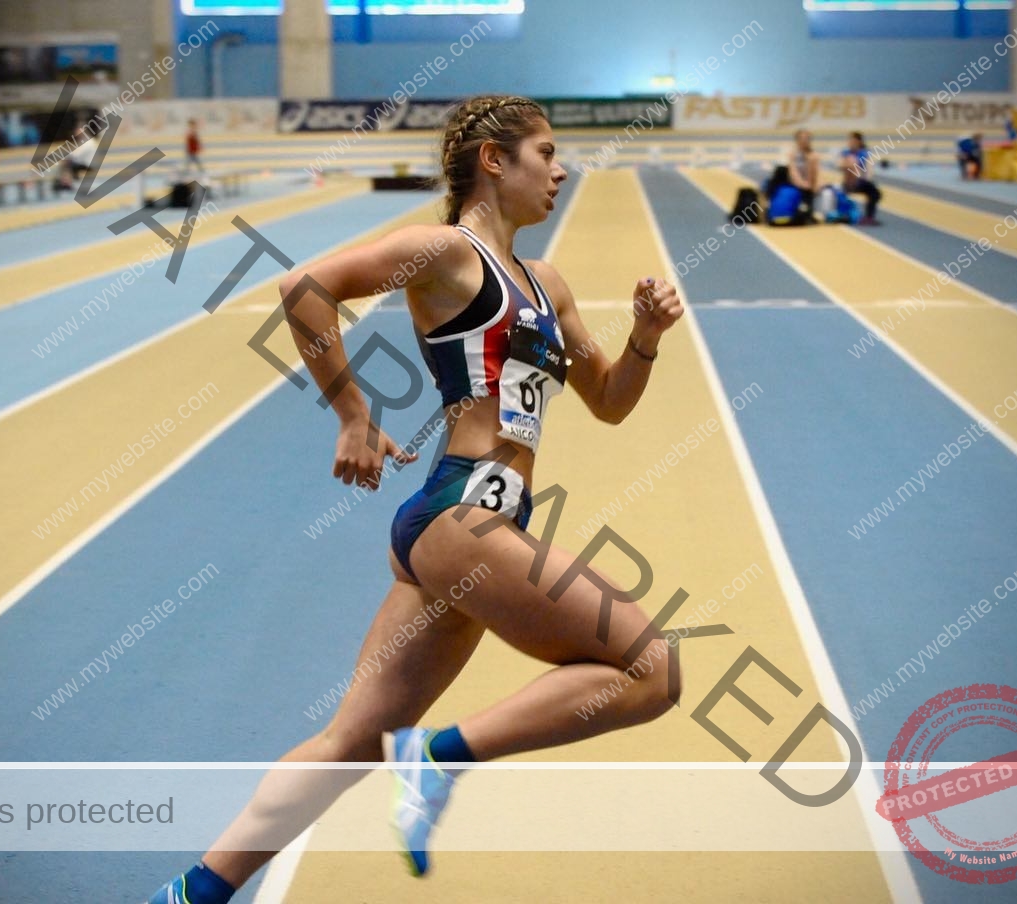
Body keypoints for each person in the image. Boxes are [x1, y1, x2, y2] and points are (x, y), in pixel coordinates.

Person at [144, 94, 686, 904]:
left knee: (348, 745)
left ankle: (193, 892)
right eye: (545, 153)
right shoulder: (446, 252)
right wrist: (352, 414)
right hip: (463, 515)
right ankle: (435, 759)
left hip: (462, 526)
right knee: (651, 671)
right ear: (494, 161)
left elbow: (608, 401)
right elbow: (304, 288)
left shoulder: (546, 284)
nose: (560, 170)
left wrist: (644, 338)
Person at [839, 131, 881, 226]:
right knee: (851, 161)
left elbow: (869, 171)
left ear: (859, 142)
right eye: (849, 140)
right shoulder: (845, 153)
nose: (850, 143)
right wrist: (849, 164)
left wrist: (865, 178)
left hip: (861, 181)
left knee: (875, 193)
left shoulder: (864, 153)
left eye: (852, 141)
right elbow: (840, 165)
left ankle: (869, 217)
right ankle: (844, 213)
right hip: (848, 182)